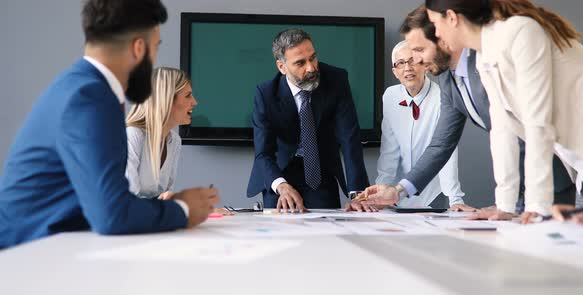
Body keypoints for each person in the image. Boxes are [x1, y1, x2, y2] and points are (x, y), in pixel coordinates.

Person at [0, 0, 219, 249]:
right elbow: (112, 214)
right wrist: (183, 208)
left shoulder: (80, 86)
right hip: (23, 260)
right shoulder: (90, 98)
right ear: (139, 48)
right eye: (155, 47)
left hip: (46, 249)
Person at [351, 5, 575, 221]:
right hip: (535, 184)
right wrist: (398, 191)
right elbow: (442, 144)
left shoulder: (495, 55)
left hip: (557, 171)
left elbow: (528, 130)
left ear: (443, 34)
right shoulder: (449, 79)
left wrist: (516, 203)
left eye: (418, 50)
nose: (414, 62)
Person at [424, 0, 583, 223]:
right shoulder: (484, 56)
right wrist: (505, 205)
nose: (436, 33)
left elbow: (537, 121)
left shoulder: (520, 30)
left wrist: (537, 204)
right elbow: (502, 130)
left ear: (452, 18)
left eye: (435, 23)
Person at [246, 29, 369, 212]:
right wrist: (281, 185)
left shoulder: (336, 80)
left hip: (319, 171)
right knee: (278, 234)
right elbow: (264, 153)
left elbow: (349, 139)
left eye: (313, 58)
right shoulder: (266, 94)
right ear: (282, 67)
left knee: (326, 231)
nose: (311, 68)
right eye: (300, 63)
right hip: (280, 172)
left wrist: (357, 194)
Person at [125, 67, 231, 215]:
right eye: (188, 95)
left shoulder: (174, 141)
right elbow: (126, 201)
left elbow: (164, 198)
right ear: (166, 99)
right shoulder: (132, 135)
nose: (195, 102)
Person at [376, 40, 465, 209]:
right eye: (401, 63)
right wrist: (382, 187)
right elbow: (389, 149)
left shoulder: (442, 96)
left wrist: (455, 199)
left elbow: (446, 150)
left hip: (431, 193)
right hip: (396, 193)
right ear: (395, 72)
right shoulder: (390, 96)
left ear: (424, 65)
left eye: (413, 61)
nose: (407, 68)